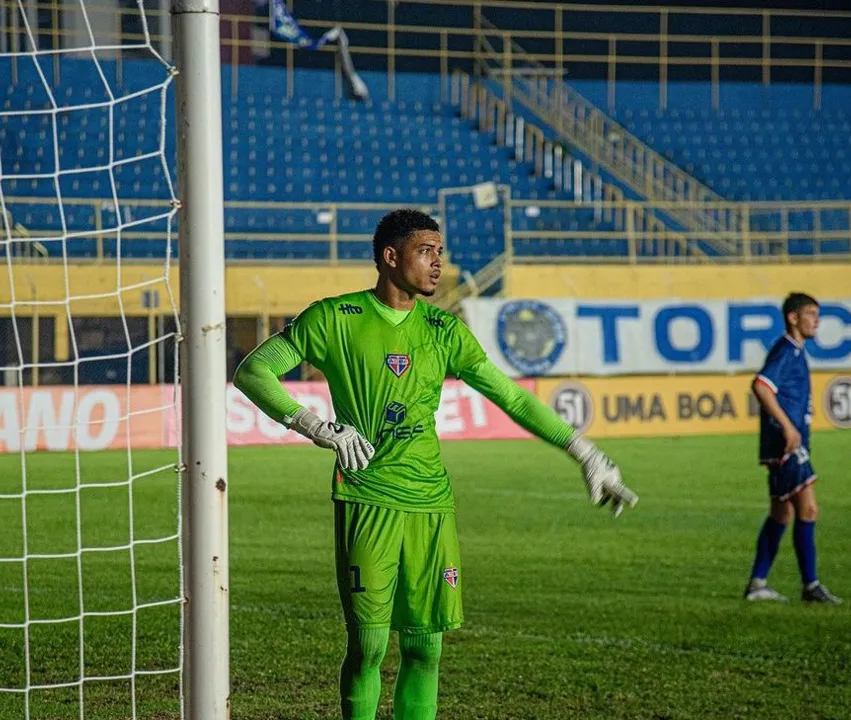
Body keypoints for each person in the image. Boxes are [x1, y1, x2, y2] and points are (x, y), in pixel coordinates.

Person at [233, 208, 638, 720]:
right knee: (369, 649)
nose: (438, 263)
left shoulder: (445, 330)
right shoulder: (335, 318)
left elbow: (511, 397)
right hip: (367, 497)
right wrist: (317, 426)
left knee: (426, 649)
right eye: (427, 251)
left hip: (431, 503)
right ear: (390, 256)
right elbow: (255, 372)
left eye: (440, 253)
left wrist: (585, 451)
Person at [744, 292, 842, 604]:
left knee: (782, 512)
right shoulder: (786, 350)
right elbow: (761, 385)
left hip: (785, 442)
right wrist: (788, 427)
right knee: (808, 508)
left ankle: (758, 583)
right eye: (811, 314)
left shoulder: (796, 352)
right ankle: (810, 585)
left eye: (818, 314)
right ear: (793, 318)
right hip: (786, 443)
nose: (817, 320)